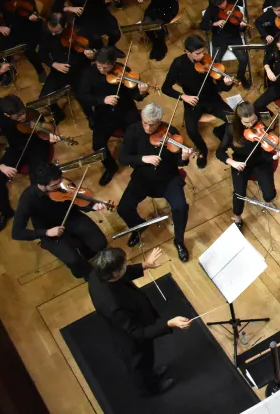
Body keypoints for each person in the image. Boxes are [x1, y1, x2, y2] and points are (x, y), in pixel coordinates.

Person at [88, 247, 192, 394]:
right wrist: (169, 324)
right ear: (115, 273)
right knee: (140, 364)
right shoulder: (114, 305)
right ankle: (149, 388)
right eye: (124, 265)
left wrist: (145, 265)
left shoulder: (98, 273)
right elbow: (138, 333)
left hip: (134, 318)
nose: (126, 266)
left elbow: (122, 274)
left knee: (148, 359)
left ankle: (151, 372)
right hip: (130, 338)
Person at [117, 103, 195, 262]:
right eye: (144, 122)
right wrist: (142, 159)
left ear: (159, 121)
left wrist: (184, 158)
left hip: (168, 179)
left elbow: (179, 160)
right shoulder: (133, 130)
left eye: (151, 124)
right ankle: (139, 226)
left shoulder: (171, 132)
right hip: (143, 179)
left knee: (180, 207)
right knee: (123, 208)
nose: (146, 127)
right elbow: (123, 157)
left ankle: (179, 241)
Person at [12, 163, 108, 279]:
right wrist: (46, 233)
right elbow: (16, 232)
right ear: (41, 185)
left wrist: (91, 206)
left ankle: (89, 254)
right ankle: (88, 275)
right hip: (50, 230)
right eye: (54, 185)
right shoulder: (28, 199)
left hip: (73, 218)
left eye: (60, 181)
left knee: (100, 243)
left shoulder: (62, 183)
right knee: (73, 261)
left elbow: (74, 199)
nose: (60, 185)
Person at [161, 35, 234, 169]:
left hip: (212, 98)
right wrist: (183, 96)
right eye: (197, 53)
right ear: (187, 52)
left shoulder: (209, 60)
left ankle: (222, 148)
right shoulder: (178, 63)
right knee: (191, 129)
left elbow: (222, 87)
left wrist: (227, 84)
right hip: (192, 101)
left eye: (203, 52)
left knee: (232, 118)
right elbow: (165, 88)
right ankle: (203, 150)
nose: (202, 56)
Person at [78, 48, 149, 184]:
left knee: (139, 133)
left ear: (114, 63)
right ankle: (111, 167)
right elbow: (83, 96)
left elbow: (135, 96)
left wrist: (142, 92)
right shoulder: (89, 74)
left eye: (106, 67)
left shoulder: (123, 71)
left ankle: (136, 159)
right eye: (99, 66)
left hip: (125, 109)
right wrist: (102, 100)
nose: (102, 70)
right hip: (104, 114)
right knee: (98, 145)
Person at [0, 95, 58, 233]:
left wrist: (50, 137)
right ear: (7, 115)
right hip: (16, 149)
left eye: (23, 112)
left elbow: (45, 131)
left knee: (37, 182)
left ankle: (42, 219)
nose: (22, 117)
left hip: (37, 147)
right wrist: (1, 165)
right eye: (17, 116)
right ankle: (6, 212)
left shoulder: (32, 112)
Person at [217, 101, 280, 228]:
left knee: (270, 195)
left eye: (253, 120)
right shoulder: (231, 129)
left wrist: (274, 156)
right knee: (239, 194)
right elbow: (220, 152)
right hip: (240, 163)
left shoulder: (260, 126)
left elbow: (265, 152)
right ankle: (237, 217)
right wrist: (232, 162)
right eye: (246, 122)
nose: (251, 124)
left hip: (260, 162)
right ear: (239, 119)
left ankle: (267, 200)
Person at [37, 13, 97, 122]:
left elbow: (95, 48)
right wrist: (54, 64)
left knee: (81, 94)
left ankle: (90, 116)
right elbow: (42, 54)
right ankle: (58, 114)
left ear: (65, 25)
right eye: (52, 31)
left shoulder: (79, 31)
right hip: (59, 69)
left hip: (79, 69)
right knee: (44, 97)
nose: (54, 34)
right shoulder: (47, 33)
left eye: (57, 31)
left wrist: (91, 54)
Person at [0, 0, 44, 83]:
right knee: (0, 50)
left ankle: (41, 71)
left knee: (28, 48)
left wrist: (33, 17)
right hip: (13, 30)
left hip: (29, 28)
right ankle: (10, 72)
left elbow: (35, 14)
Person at [200, 0, 250, 87]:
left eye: (222, 3)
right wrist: (214, 23)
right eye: (219, 5)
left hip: (234, 36)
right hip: (219, 37)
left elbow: (241, 29)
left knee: (244, 59)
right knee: (215, 62)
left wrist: (242, 27)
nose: (222, 6)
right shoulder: (211, 9)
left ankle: (241, 77)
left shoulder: (234, 6)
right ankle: (223, 80)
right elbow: (202, 25)